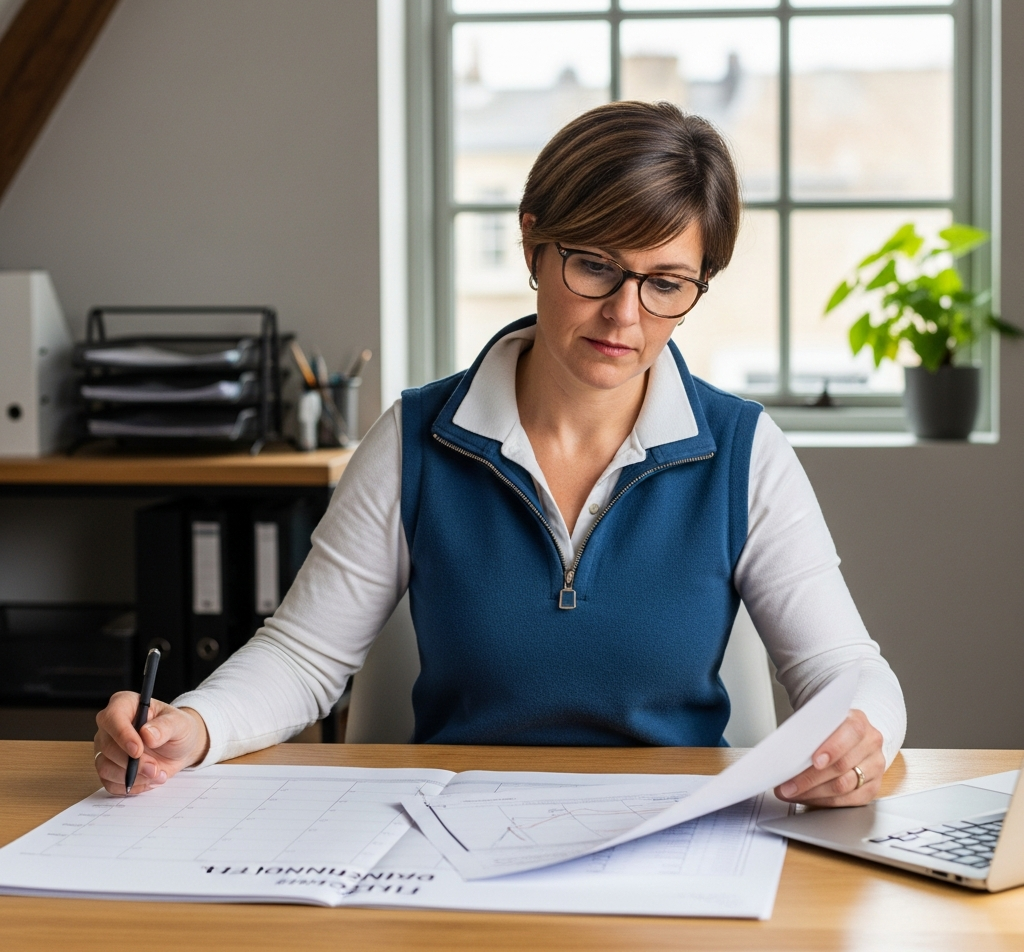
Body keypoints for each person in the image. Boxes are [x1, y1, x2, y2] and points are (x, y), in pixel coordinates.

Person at [94, 102, 905, 808]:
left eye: (667, 282)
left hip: (672, 837)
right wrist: (191, 725)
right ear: (531, 245)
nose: (625, 314)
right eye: (594, 265)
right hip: (447, 837)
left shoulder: (743, 451)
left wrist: (862, 737)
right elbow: (305, 656)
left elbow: (847, 669)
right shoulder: (417, 436)